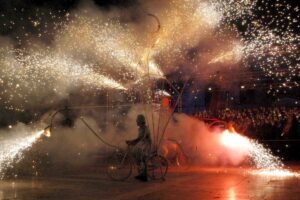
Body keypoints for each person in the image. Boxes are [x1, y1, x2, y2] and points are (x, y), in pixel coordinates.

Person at [126, 114, 152, 182]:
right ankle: (141, 173)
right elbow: (139, 139)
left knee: (142, 157)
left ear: (140, 121)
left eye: (137, 121)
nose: (136, 122)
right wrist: (132, 142)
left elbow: (141, 138)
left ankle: (145, 176)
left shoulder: (145, 128)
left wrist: (132, 141)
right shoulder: (140, 128)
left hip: (146, 145)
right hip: (142, 144)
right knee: (136, 154)